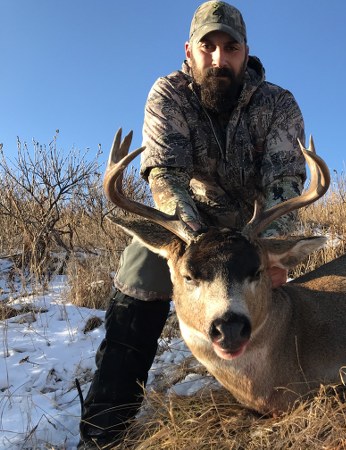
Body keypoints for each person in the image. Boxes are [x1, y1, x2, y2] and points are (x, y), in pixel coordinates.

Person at [78, 1, 306, 447]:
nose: (219, 58)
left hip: (251, 231)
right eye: (209, 47)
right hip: (191, 227)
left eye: (230, 47)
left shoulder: (277, 104)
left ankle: (282, 382)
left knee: (285, 294)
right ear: (190, 50)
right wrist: (193, 242)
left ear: (246, 52)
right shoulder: (169, 94)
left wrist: (271, 249)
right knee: (140, 275)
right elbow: (165, 175)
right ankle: (105, 429)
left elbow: (285, 182)